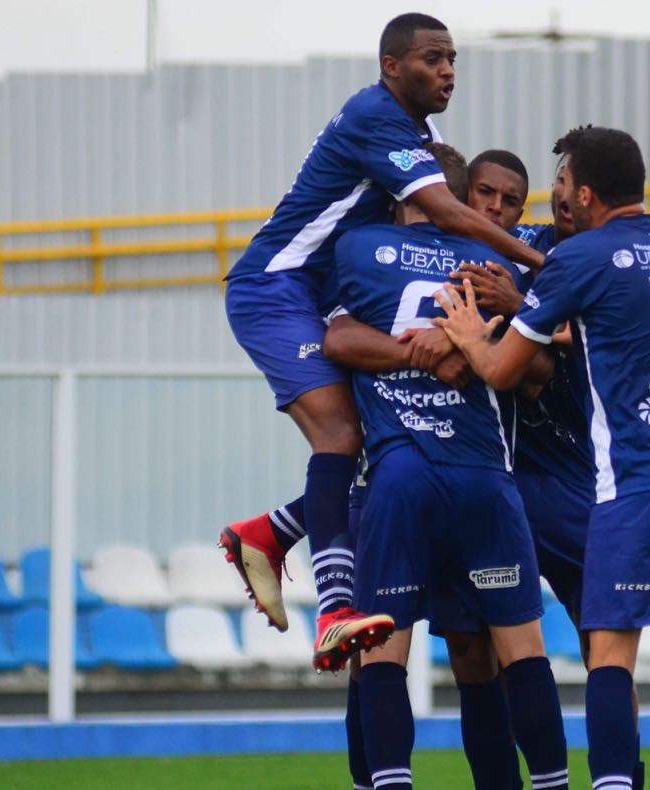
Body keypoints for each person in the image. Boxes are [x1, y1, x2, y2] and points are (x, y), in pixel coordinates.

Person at [435, 126, 650, 790]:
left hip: (640, 482)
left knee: (609, 656)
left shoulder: (582, 258)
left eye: (562, 184)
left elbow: (506, 369)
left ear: (588, 193)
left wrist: (470, 334)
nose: (556, 197)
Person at [219, 12, 546, 673]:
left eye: (453, 58)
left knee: (376, 437)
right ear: (391, 65)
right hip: (278, 287)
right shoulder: (375, 115)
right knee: (342, 436)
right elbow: (452, 213)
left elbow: (449, 210)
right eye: (431, 58)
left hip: (316, 291)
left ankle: (271, 533)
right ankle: (335, 611)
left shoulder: (422, 133)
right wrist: (543, 269)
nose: (447, 69)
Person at [322, 142, 569, 790]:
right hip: (479, 477)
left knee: (390, 649)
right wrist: (443, 346)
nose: (493, 209)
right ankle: (550, 782)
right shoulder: (491, 268)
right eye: (482, 197)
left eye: (509, 202)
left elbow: (335, 338)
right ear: (457, 200)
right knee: (520, 651)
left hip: (397, 476)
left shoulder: (359, 248)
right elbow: (531, 358)